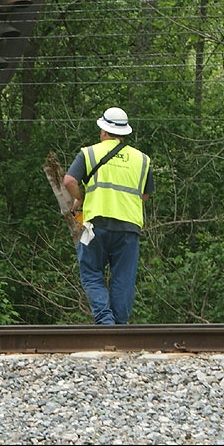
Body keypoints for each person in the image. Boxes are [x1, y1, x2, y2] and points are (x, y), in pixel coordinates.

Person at [63, 107, 154, 325]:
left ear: (103, 131)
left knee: (91, 271)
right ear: (124, 133)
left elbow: (69, 181)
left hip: (96, 224)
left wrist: (81, 198)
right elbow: (144, 195)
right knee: (123, 278)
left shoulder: (89, 153)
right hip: (129, 227)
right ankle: (119, 328)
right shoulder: (142, 160)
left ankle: (105, 322)